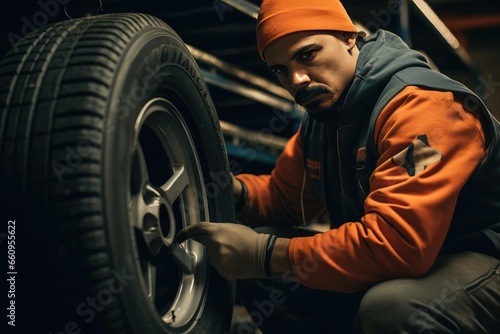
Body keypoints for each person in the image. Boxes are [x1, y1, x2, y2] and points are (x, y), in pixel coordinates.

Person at [176, 0, 500, 332]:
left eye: (307, 55)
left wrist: (266, 255)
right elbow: (285, 198)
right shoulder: (323, 119)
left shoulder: (422, 109)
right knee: (264, 265)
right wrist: (234, 191)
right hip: (414, 260)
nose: (297, 79)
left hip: (483, 259)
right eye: (280, 69)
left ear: (350, 38)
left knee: (394, 307)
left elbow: (397, 244)